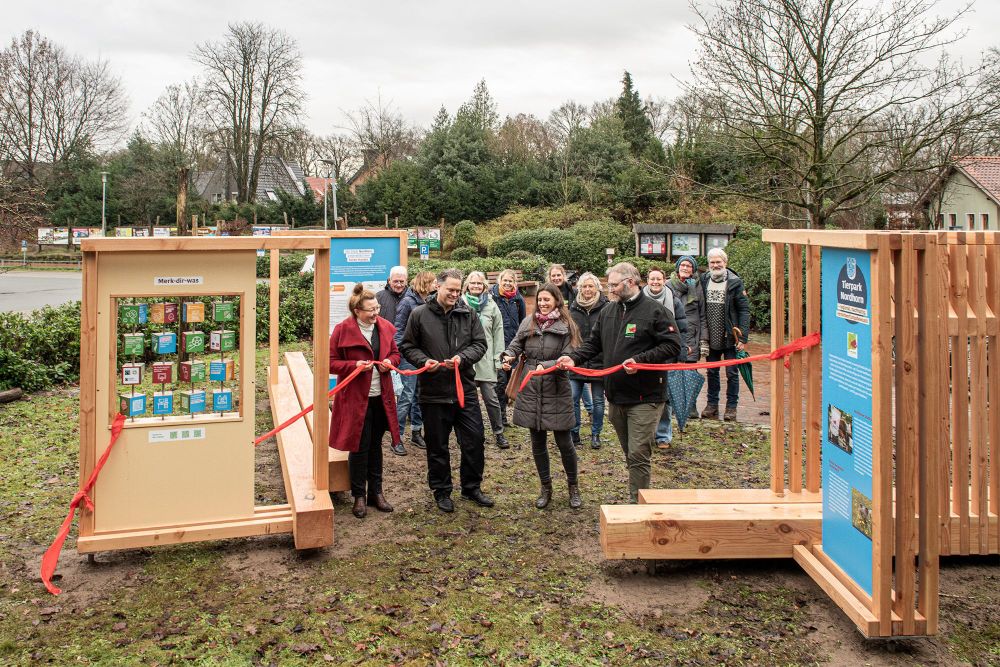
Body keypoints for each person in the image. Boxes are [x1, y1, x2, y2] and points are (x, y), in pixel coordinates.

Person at [558, 262, 681, 503]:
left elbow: (672, 344)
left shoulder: (655, 311)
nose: (610, 289)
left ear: (631, 282)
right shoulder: (608, 311)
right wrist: (573, 358)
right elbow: (594, 344)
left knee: (638, 453)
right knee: (630, 452)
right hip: (616, 395)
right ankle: (639, 492)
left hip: (646, 397)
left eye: (614, 285)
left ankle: (636, 506)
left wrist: (640, 360)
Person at [400, 268, 494, 513]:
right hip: (433, 392)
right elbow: (408, 346)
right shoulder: (419, 315)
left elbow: (480, 344)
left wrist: (463, 358)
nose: (454, 294)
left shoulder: (468, 314)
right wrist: (423, 361)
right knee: (438, 445)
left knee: (474, 440)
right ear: (437, 287)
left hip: (464, 389)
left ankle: (472, 487)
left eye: (457, 289)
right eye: (450, 289)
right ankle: (441, 490)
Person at [502, 283, 583, 509]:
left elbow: (570, 354)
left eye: (547, 300)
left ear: (557, 300)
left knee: (564, 442)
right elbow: (516, 344)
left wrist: (545, 365)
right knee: (537, 442)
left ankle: (573, 486)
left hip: (556, 388)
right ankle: (545, 487)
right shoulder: (528, 322)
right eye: (540, 300)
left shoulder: (567, 326)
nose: (543, 304)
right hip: (531, 390)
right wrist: (508, 356)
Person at [329, 284, 401, 519]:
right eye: (370, 310)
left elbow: (396, 354)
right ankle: (359, 495)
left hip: (381, 397)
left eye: (377, 308)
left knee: (376, 445)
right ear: (356, 310)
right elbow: (330, 363)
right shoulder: (342, 330)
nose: (376, 313)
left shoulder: (385, 328)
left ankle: (376, 493)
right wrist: (354, 366)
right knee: (359, 446)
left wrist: (390, 361)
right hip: (354, 400)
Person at [700, 248, 751, 422]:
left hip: (730, 336)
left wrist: (742, 338)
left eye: (718, 262)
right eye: (712, 262)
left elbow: (744, 310)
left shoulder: (735, 282)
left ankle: (731, 407)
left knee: (731, 373)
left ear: (725, 263)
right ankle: (712, 405)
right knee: (712, 372)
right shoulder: (704, 280)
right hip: (711, 337)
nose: (715, 265)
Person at [642, 267, 688, 449]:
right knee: (645, 397)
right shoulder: (639, 301)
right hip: (645, 354)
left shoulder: (674, 301)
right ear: (647, 280)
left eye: (658, 279)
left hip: (667, 354)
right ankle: (646, 433)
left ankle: (663, 435)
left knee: (665, 397)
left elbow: (682, 329)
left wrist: (681, 352)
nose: (655, 282)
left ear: (664, 280)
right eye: (652, 279)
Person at [463, 271, 509, 449]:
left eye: (479, 284)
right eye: (472, 283)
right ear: (467, 285)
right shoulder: (461, 303)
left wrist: (498, 359)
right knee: (468, 401)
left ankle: (498, 432)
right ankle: (472, 433)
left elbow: (498, 334)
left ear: (484, 286)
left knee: (491, 399)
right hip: (466, 359)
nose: (476, 286)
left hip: (486, 358)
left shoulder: (491, 305)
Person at [391, 271, 436, 455]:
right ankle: (397, 437)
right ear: (425, 284)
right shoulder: (407, 303)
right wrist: (403, 352)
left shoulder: (429, 301)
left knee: (420, 396)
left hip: (423, 356)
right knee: (406, 397)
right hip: (408, 357)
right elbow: (398, 330)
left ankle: (417, 432)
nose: (436, 285)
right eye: (433, 282)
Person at [568, 272, 609, 449]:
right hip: (577, 360)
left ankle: (596, 433)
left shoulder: (606, 307)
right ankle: (574, 432)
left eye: (590, 286)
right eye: (584, 286)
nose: (587, 289)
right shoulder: (573, 307)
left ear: (597, 288)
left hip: (599, 361)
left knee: (598, 400)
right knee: (573, 398)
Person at [667, 256, 706, 420]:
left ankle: (691, 407)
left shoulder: (697, 286)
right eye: (682, 264)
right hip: (672, 333)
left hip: (691, 334)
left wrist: (704, 339)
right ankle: (674, 406)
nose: (685, 267)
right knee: (673, 372)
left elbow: (702, 314)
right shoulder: (668, 285)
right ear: (677, 267)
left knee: (690, 372)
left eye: (689, 266)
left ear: (693, 269)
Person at [490, 269, 526, 427]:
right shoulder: (493, 297)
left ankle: (507, 415)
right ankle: (501, 418)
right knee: (500, 382)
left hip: (514, 347)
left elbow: (523, 322)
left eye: (510, 281)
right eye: (505, 280)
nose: (507, 283)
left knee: (512, 381)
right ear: (500, 281)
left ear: (514, 283)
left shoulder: (519, 300)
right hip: (499, 347)